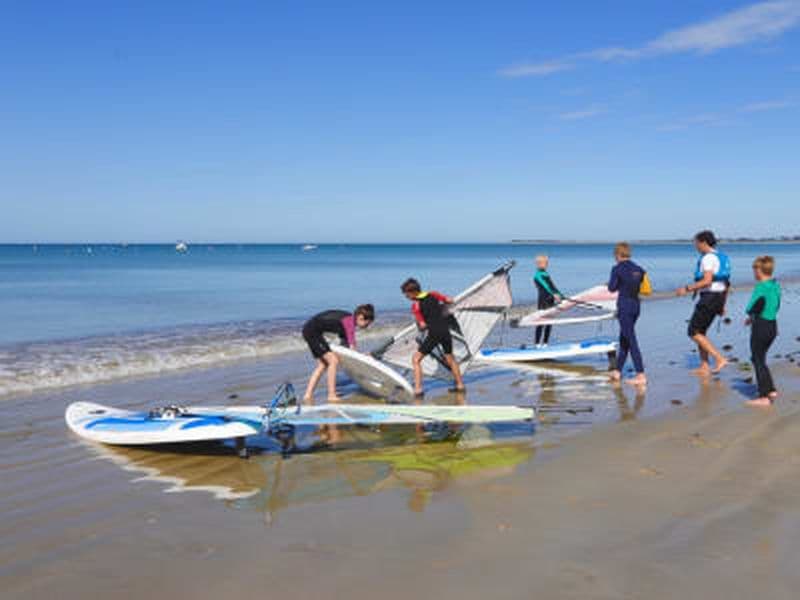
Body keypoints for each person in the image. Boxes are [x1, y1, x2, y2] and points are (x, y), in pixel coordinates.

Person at [676, 230, 731, 376]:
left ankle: (719, 358)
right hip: (718, 296)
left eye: (696, 242)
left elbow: (706, 281)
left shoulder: (708, 258)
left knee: (693, 331)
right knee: (701, 332)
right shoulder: (720, 257)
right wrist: (723, 305)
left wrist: (686, 288)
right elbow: (726, 283)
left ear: (703, 242)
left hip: (709, 297)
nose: (695, 246)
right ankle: (704, 366)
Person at [401, 278, 465, 397]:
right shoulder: (433, 294)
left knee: (416, 359)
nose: (406, 297)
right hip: (446, 331)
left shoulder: (416, 306)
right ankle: (460, 385)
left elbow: (423, 325)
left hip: (434, 333)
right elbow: (450, 300)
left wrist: (421, 322)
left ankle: (418, 389)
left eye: (406, 294)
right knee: (450, 359)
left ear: (411, 292)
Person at [301, 304, 375, 402]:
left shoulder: (348, 321)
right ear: (361, 318)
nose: (367, 327)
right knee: (333, 360)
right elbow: (352, 350)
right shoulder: (349, 323)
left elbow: (346, 349)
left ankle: (308, 395)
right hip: (312, 332)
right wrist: (364, 357)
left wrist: (360, 355)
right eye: (367, 324)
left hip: (312, 331)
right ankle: (331, 395)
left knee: (324, 364)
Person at [607, 242, 648, 386]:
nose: (615, 258)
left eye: (614, 255)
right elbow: (643, 289)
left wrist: (611, 283)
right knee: (624, 338)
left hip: (624, 307)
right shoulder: (639, 269)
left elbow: (612, 288)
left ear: (618, 254)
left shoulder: (616, 269)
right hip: (636, 306)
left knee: (631, 340)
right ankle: (617, 371)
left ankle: (641, 374)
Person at [744, 256, 781, 407]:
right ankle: (771, 389)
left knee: (757, 359)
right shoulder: (775, 285)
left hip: (761, 326)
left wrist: (750, 315)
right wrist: (753, 317)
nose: (753, 272)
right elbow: (773, 305)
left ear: (759, 270)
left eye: (754, 269)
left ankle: (764, 397)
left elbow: (752, 307)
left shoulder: (761, 286)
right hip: (772, 325)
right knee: (760, 358)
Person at [533, 255, 562, 348]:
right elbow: (546, 286)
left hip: (550, 300)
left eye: (546, 263)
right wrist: (554, 294)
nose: (546, 264)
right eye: (544, 262)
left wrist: (560, 295)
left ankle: (545, 343)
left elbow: (553, 286)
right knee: (541, 322)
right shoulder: (537, 275)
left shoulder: (546, 274)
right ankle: (537, 344)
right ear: (538, 264)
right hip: (543, 301)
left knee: (549, 322)